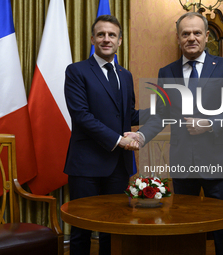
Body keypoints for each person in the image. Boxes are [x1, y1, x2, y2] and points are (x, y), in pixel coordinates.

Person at [125, 12, 223, 255]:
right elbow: (161, 115)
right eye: (185, 34)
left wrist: (210, 123)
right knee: (185, 228)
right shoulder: (167, 71)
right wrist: (141, 136)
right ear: (178, 38)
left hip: (218, 162)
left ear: (205, 36)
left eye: (196, 33)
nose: (191, 38)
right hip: (183, 163)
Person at [64, 15, 148, 255]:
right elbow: (81, 116)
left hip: (118, 167)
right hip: (86, 165)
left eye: (112, 35)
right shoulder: (76, 71)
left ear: (120, 41)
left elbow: (127, 116)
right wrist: (120, 140)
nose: (106, 39)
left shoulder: (125, 74)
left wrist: (159, 112)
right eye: (101, 34)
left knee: (114, 227)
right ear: (92, 39)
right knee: (82, 228)